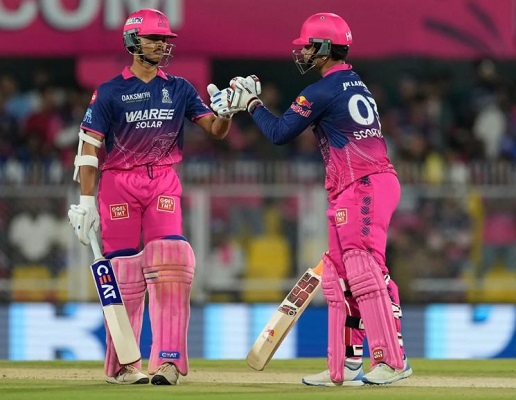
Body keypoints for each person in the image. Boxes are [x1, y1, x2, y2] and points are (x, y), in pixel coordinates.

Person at [210, 12, 412, 386]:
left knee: (365, 269)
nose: (302, 53)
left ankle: (392, 360)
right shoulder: (352, 82)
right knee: (339, 276)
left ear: (324, 48)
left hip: (364, 183)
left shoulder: (322, 90)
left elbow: (279, 133)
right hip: (354, 185)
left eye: (307, 46)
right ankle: (345, 366)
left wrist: (252, 104)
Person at [67, 8, 235, 385]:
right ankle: (123, 365)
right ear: (132, 41)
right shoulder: (110, 92)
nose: (161, 45)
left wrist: (226, 113)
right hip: (118, 183)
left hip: (162, 178)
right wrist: (87, 201)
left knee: (172, 262)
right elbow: (89, 148)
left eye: (165, 39)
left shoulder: (180, 88)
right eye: (154, 38)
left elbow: (215, 129)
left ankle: (169, 361)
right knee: (124, 274)